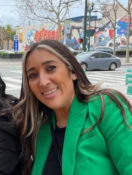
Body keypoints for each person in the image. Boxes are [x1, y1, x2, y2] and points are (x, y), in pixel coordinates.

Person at [14, 39, 132, 175]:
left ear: (73, 72)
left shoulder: (106, 108)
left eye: (51, 68)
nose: (43, 82)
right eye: (33, 75)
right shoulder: (40, 128)